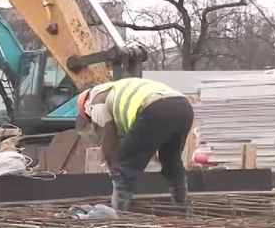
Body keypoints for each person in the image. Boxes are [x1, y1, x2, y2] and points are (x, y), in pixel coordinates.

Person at [76, 77, 193, 214]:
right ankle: (182, 210)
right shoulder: (115, 88)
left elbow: (108, 142)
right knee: (172, 161)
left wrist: (114, 171)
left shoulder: (94, 102)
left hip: (155, 108)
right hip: (183, 107)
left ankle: (119, 214)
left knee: (123, 166)